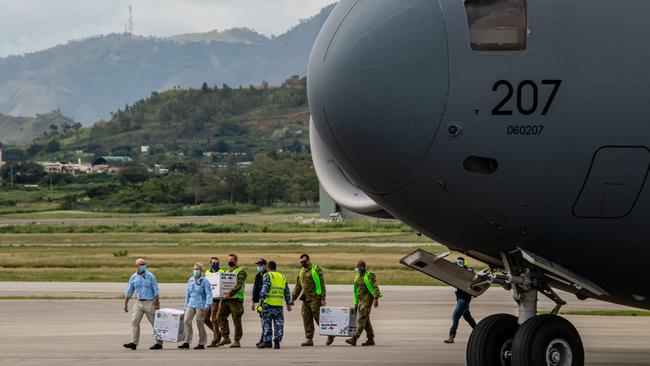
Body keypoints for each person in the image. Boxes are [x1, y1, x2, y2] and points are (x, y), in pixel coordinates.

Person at [291, 253, 335, 346]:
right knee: (306, 318)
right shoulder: (301, 272)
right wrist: (292, 298)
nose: (302, 263)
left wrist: (323, 297)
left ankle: (330, 334)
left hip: (315, 298)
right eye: (301, 262)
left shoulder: (315, 269)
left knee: (318, 317)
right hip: (306, 299)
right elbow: (298, 286)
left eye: (304, 261)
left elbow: (321, 284)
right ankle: (309, 339)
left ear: (308, 260)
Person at [123, 258, 163, 350]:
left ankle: (159, 343)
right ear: (136, 266)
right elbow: (129, 291)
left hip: (150, 302)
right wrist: (125, 304)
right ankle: (134, 342)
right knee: (134, 321)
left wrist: (157, 303)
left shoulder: (150, 276)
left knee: (154, 323)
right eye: (141, 264)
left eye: (144, 264)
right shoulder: (133, 277)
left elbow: (156, 290)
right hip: (138, 302)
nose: (143, 266)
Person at [257, 261, 293, 349]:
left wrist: (260, 302)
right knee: (279, 324)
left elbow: (264, 290)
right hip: (279, 305)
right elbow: (286, 291)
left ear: (268, 267)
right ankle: (277, 342)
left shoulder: (268, 275)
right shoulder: (282, 276)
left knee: (266, 323)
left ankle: (267, 342)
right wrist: (288, 302)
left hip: (268, 304)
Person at [214, 253, 247, 348]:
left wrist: (231, 293)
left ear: (236, 261)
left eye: (232, 260)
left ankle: (237, 340)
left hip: (236, 299)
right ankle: (226, 337)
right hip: (226, 299)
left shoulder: (241, 271)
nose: (230, 262)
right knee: (219, 316)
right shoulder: (227, 271)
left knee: (236, 319)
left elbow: (239, 284)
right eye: (229, 260)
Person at [345, 260, 381, 347]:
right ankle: (370, 339)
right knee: (366, 321)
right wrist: (356, 302)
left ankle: (354, 338)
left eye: (357, 267)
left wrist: (376, 298)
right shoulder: (358, 276)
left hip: (367, 301)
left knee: (361, 320)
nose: (356, 269)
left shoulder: (369, 276)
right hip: (360, 301)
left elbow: (375, 287)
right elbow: (356, 291)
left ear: (362, 267)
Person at [178, 263, 213, 350]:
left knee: (199, 322)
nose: (195, 271)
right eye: (194, 269)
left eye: (197, 269)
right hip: (191, 303)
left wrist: (207, 306)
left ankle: (201, 342)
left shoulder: (205, 281)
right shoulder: (190, 280)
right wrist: (185, 306)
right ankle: (187, 341)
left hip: (201, 304)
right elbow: (187, 294)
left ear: (201, 271)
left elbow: (209, 294)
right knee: (186, 321)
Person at [444, 257, 477, 344]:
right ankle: (477, 331)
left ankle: (451, 337)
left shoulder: (466, 273)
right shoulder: (461, 274)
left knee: (455, 317)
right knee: (468, 318)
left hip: (463, 300)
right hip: (463, 299)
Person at [204, 257, 224, 347]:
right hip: (208, 298)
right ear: (210, 264)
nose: (215, 265)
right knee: (205, 318)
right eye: (213, 263)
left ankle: (215, 338)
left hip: (217, 298)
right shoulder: (207, 272)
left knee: (213, 317)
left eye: (217, 263)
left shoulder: (222, 272)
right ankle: (218, 333)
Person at [251, 258, 268, 347]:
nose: (259, 267)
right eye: (258, 265)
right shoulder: (258, 275)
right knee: (263, 322)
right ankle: (263, 338)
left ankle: (265, 339)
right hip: (261, 302)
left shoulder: (268, 275)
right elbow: (255, 289)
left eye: (260, 265)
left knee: (266, 322)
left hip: (268, 301)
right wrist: (254, 301)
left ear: (266, 265)